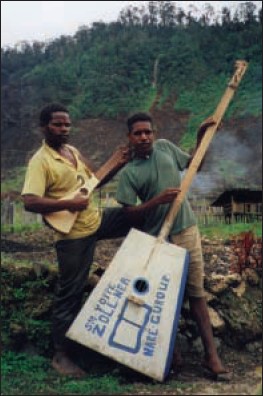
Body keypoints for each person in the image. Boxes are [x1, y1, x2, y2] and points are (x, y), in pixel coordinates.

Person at [21, 103, 138, 378]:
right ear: (44, 127)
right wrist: (70, 202)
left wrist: (117, 163)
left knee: (138, 215)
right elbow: (29, 201)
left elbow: (94, 180)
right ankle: (61, 356)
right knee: (70, 295)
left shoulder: (72, 152)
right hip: (73, 236)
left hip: (96, 220)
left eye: (67, 125)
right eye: (58, 125)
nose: (64, 129)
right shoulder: (41, 161)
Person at [116, 112, 231, 380]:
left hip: (186, 228)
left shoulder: (166, 148)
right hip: (158, 238)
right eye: (138, 133)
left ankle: (211, 356)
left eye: (148, 132)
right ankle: (169, 355)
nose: (144, 137)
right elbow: (129, 214)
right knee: (162, 299)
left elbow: (194, 166)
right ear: (129, 137)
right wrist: (156, 201)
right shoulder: (129, 173)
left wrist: (203, 135)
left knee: (196, 292)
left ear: (153, 133)